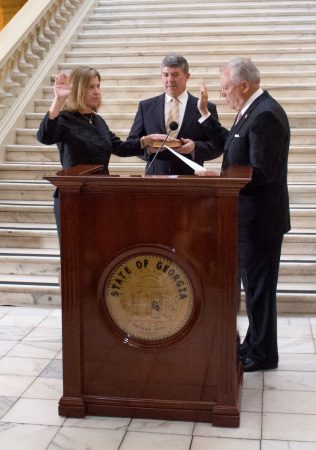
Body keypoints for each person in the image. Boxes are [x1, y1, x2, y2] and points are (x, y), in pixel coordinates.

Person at [193, 57, 291, 372]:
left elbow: (262, 171)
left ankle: (263, 354)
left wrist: (219, 179)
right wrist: (207, 116)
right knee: (254, 287)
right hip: (249, 218)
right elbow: (232, 143)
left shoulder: (265, 116)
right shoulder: (251, 111)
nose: (223, 95)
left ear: (244, 85)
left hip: (260, 221)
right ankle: (255, 345)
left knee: (259, 289)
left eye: (226, 89)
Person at [37, 66, 165, 234]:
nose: (96, 92)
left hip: (99, 195)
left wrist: (146, 140)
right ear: (77, 89)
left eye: (98, 86)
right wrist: (58, 101)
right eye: (91, 87)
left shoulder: (98, 121)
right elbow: (44, 136)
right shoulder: (64, 120)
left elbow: (119, 147)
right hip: (74, 197)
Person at [127, 54, 222, 175]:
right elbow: (131, 142)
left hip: (191, 180)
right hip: (155, 179)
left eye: (175, 75)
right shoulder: (146, 107)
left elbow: (217, 146)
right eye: (165, 75)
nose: (170, 80)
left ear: (187, 76)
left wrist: (194, 148)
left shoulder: (204, 107)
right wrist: (148, 149)